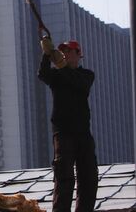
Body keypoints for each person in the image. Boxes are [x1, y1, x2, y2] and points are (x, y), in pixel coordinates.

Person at [38, 38, 98, 212]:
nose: (65, 54)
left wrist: (61, 65)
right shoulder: (57, 76)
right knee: (64, 177)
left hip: (82, 133)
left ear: (78, 55)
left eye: (69, 51)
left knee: (88, 177)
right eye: (63, 51)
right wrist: (46, 54)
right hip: (63, 132)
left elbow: (79, 84)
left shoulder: (86, 75)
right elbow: (43, 74)